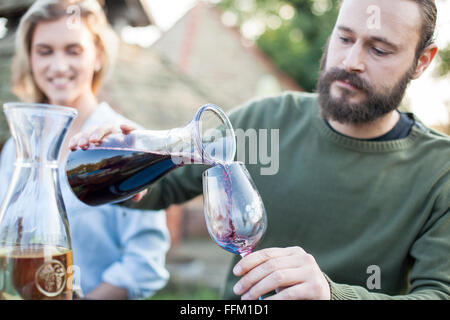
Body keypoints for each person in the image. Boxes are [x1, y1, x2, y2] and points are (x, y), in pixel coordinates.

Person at [71, 0, 450, 300]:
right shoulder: (266, 119)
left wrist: (333, 295)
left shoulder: (439, 170)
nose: (351, 61)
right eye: (345, 38)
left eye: (380, 49)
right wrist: (125, 160)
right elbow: (158, 191)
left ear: (422, 61)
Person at [0, 0, 170, 299]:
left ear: (98, 55)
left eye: (73, 50)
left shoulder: (128, 144)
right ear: (30, 58)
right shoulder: (16, 148)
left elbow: (144, 263)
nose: (59, 65)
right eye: (45, 51)